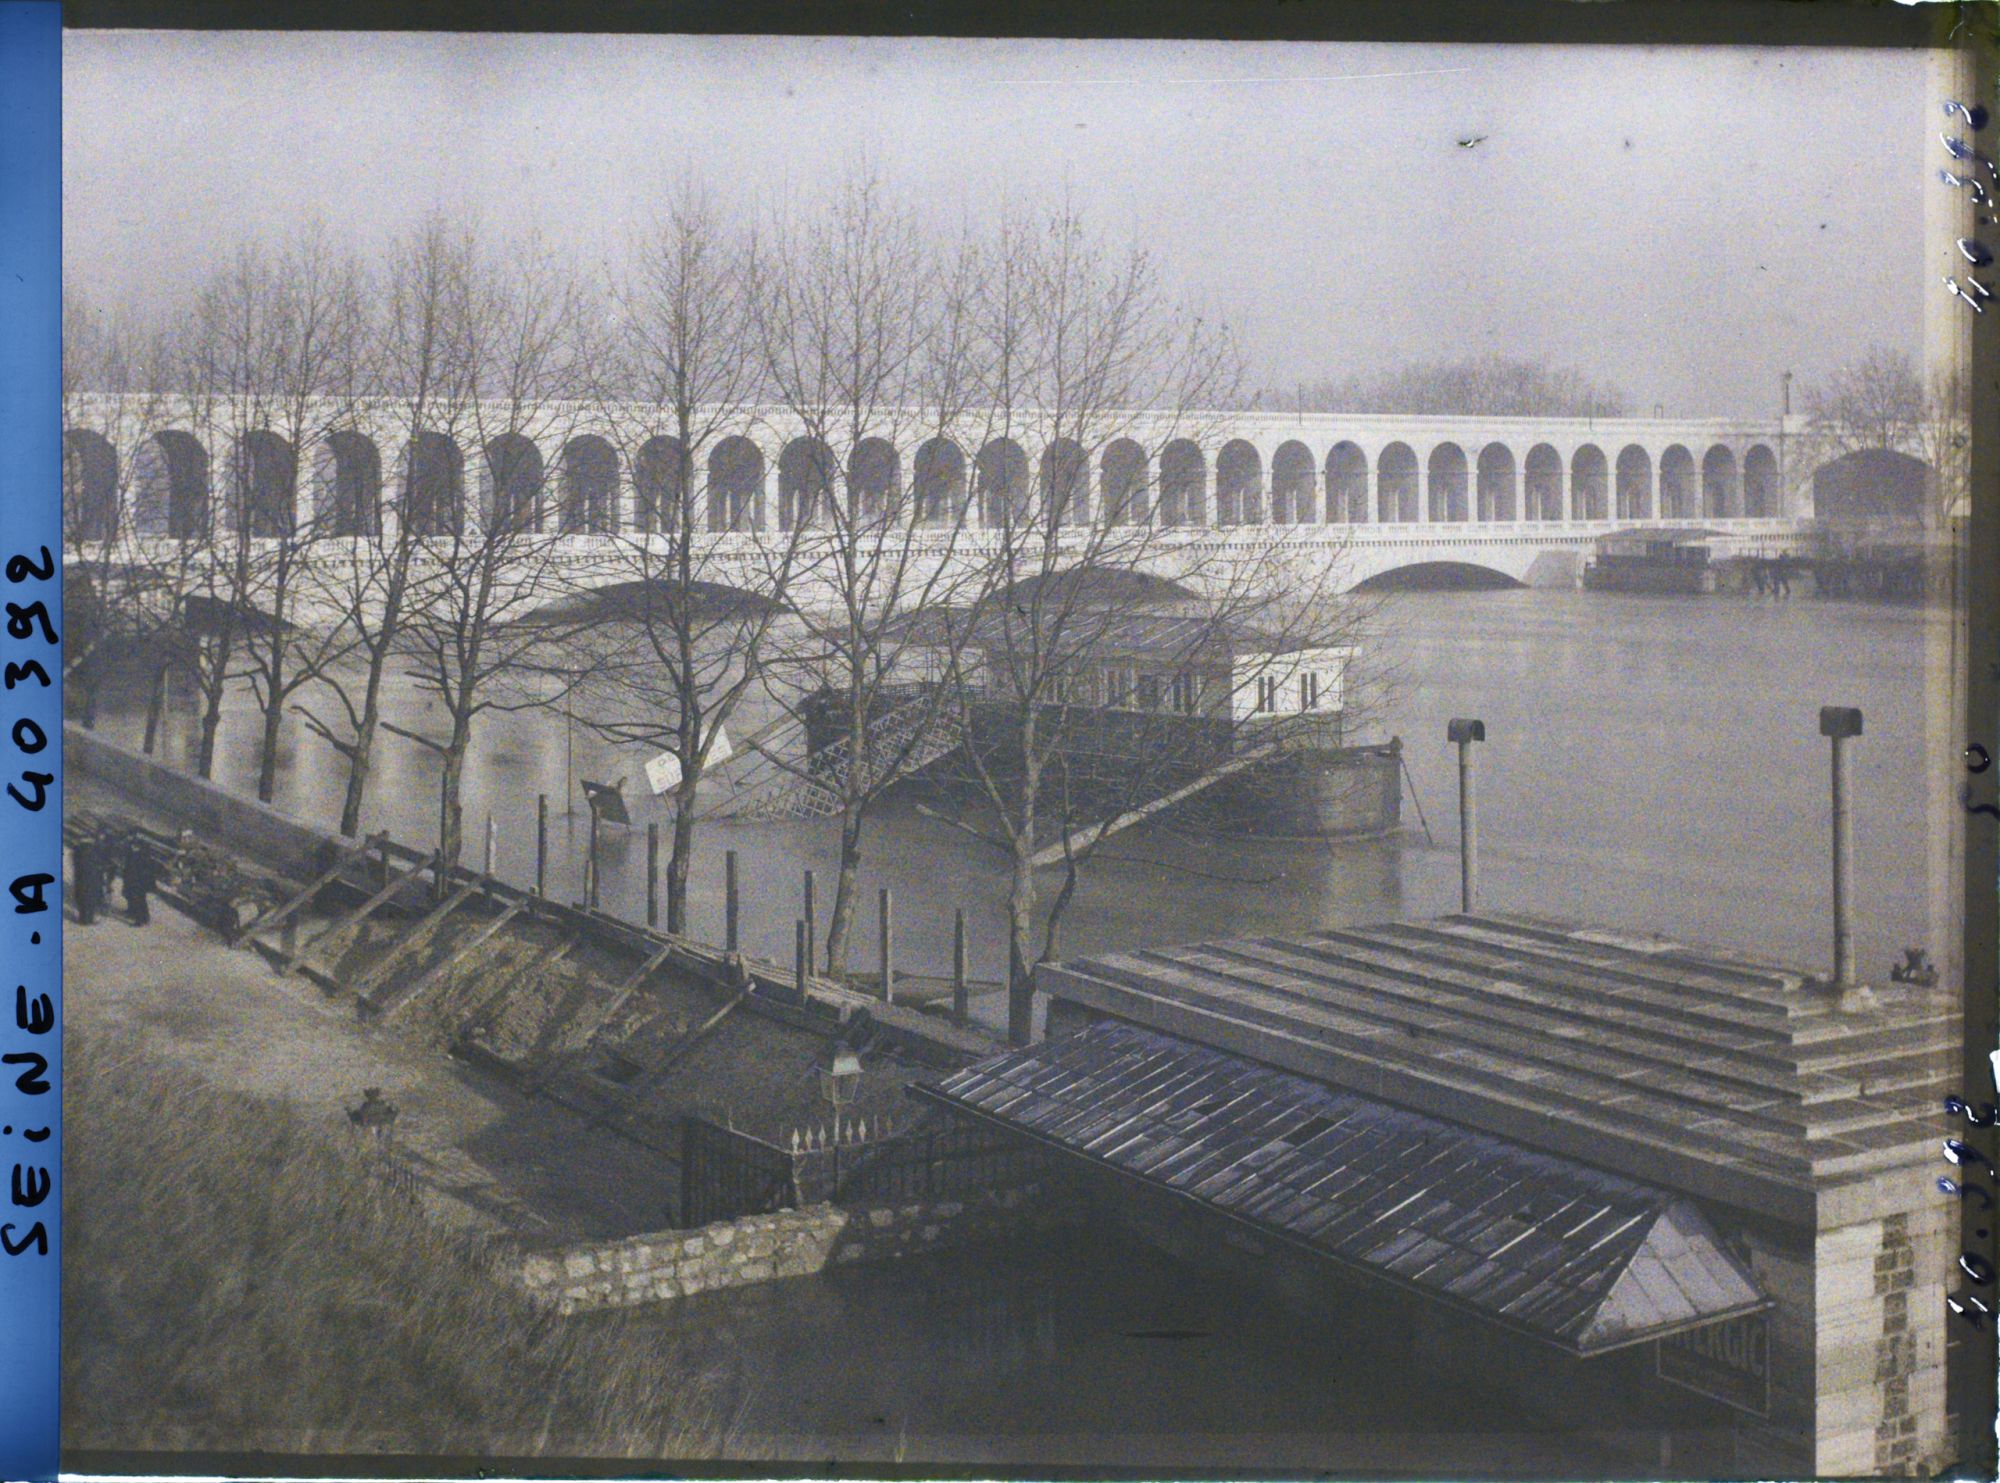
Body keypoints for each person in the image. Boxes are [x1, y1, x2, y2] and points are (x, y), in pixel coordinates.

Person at [121, 838, 158, 926]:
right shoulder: (135, 854)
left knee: (138, 900)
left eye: (134, 846)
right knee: (134, 898)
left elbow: (141, 871)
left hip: (138, 882)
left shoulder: (141, 857)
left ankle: (140, 920)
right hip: (134, 881)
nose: (132, 847)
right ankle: (136, 914)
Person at [71, 838, 104, 926]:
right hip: (91, 880)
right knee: (90, 899)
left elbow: (76, 864)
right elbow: (98, 866)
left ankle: (83, 918)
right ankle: (88, 918)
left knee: (82, 899)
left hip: (80, 879)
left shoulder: (77, 852)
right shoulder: (93, 853)